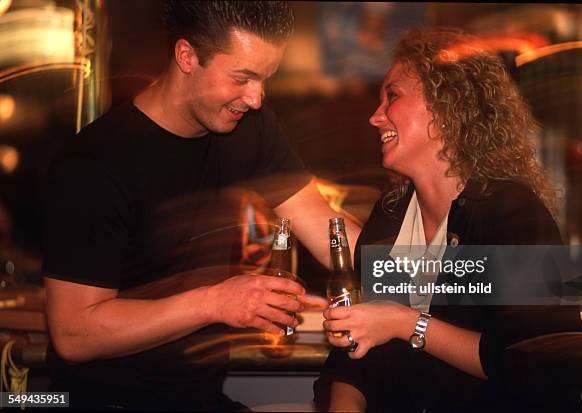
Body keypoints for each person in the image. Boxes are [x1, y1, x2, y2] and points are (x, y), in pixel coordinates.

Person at [42, 1, 360, 410]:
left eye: (265, 79)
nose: (257, 98)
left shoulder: (250, 129)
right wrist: (216, 302)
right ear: (187, 56)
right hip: (107, 400)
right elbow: (73, 334)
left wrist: (433, 281)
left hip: (198, 398)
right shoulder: (95, 163)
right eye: (243, 78)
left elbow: (328, 229)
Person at [316, 28, 582, 412]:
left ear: (447, 109)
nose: (375, 117)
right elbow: (355, 354)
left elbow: (540, 365)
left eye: (392, 96)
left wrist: (406, 323)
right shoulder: (391, 215)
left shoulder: (510, 213)